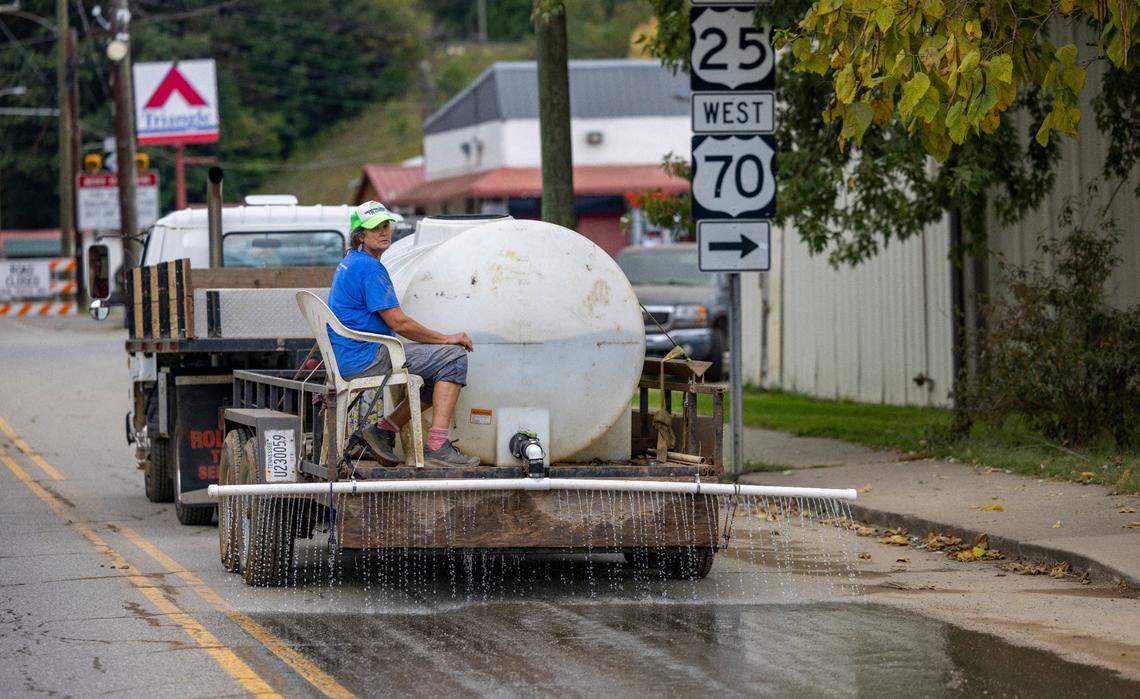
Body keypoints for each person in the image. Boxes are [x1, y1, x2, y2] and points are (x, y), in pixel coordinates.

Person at [327, 201, 480, 467]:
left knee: (435, 374)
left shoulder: (351, 262)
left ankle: (385, 429)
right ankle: (437, 448)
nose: (384, 232)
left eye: (386, 226)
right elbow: (400, 324)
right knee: (452, 359)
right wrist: (446, 338)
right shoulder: (370, 268)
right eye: (376, 228)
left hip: (348, 356)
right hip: (366, 358)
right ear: (360, 235)